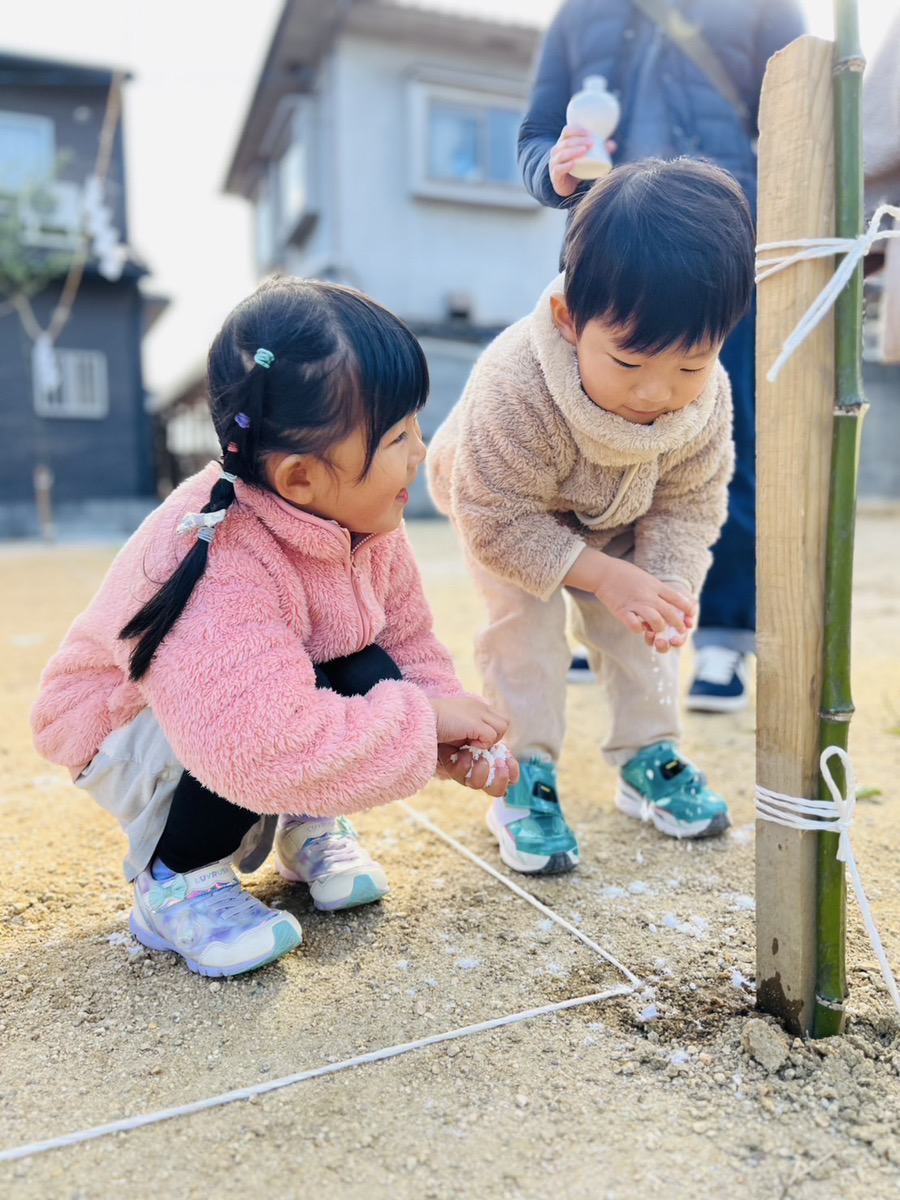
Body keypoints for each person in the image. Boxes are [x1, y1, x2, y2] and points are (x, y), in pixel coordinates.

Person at [31, 277, 519, 976]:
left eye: (418, 425)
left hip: (249, 706)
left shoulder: (368, 520)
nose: (421, 450)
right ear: (299, 479)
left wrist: (452, 730)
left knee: (364, 659)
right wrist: (420, 724)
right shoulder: (215, 553)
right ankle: (177, 877)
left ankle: (307, 822)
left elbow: (408, 643)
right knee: (287, 705)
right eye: (398, 436)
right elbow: (253, 744)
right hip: (130, 728)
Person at [427, 158, 755, 875]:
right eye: (631, 362)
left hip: (620, 511)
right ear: (570, 320)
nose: (659, 392)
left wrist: (662, 584)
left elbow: (690, 501)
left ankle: (649, 755)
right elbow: (496, 520)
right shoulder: (515, 387)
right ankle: (523, 772)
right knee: (525, 636)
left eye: (690, 365)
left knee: (643, 626)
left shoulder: (706, 398)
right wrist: (599, 574)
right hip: (511, 514)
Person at [517, 0, 805, 712]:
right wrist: (550, 170)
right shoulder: (580, 13)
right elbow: (534, 133)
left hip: (724, 262)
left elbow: (808, 116)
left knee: (722, 445)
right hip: (609, 268)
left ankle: (724, 639)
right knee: (585, 449)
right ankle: (599, 619)